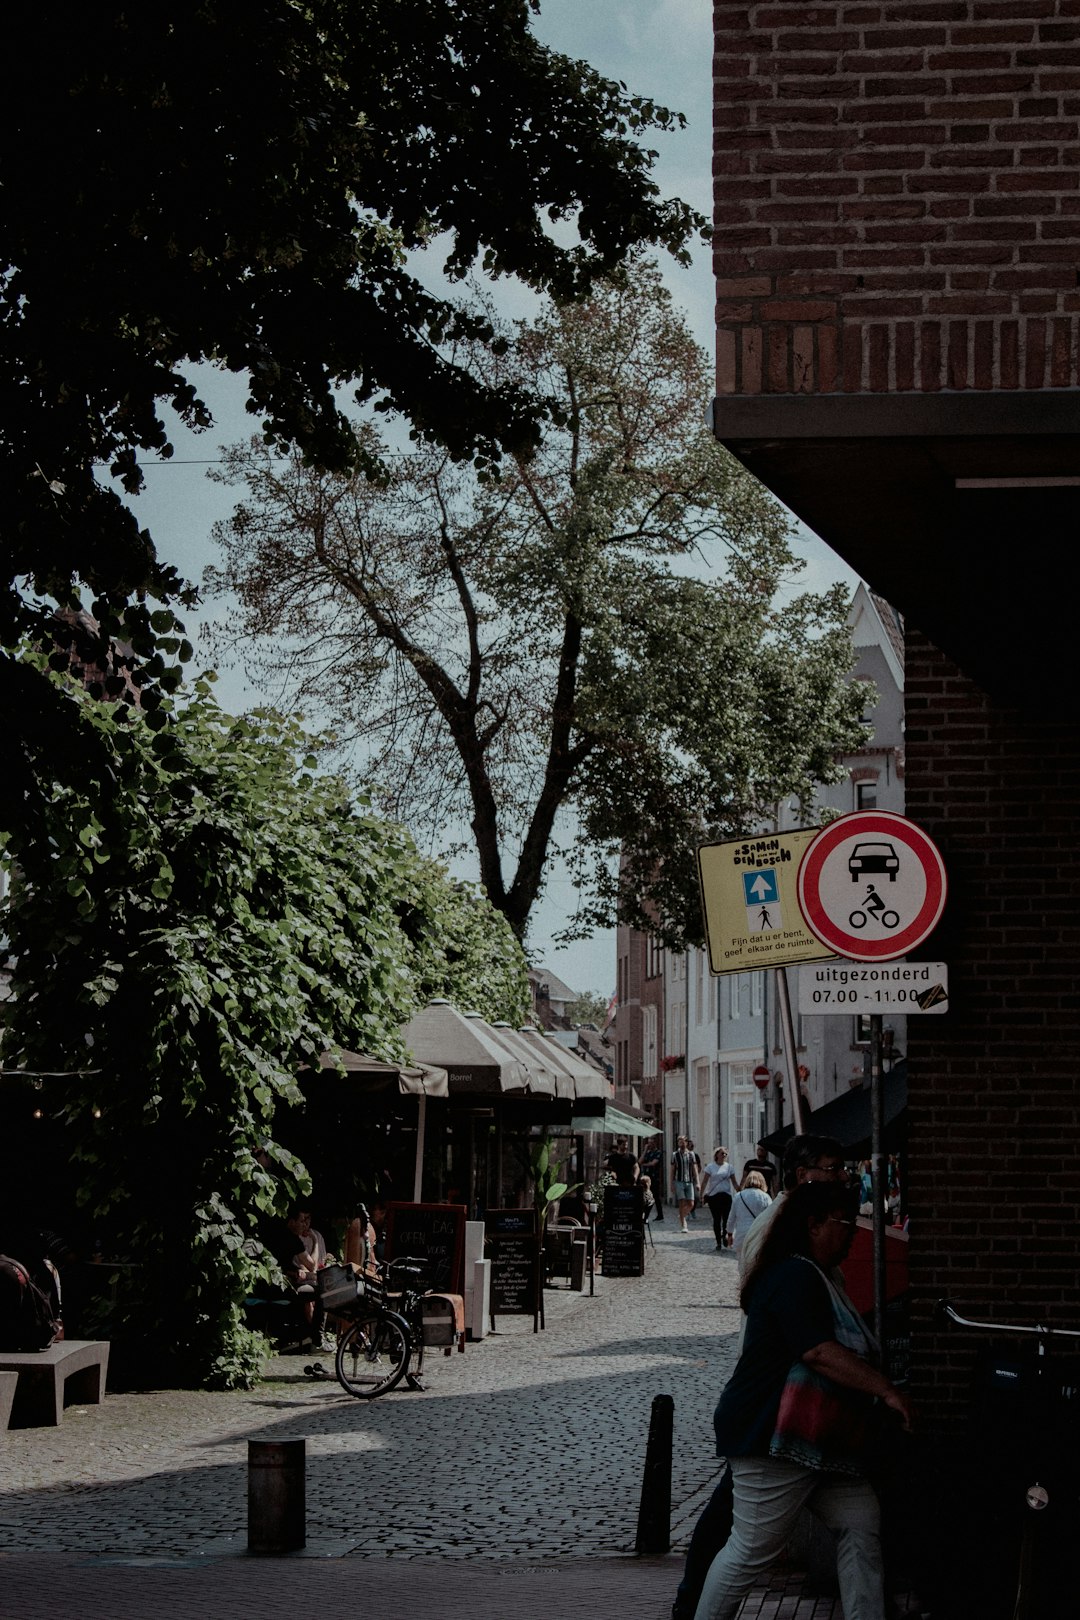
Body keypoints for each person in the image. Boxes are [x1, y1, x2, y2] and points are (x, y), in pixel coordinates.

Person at [692, 1181, 913, 1620]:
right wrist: (886, 1390)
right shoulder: (795, 1275)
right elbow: (818, 1351)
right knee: (750, 1549)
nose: (854, 1232)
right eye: (845, 1222)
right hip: (772, 1434)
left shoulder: (816, 1274)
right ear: (813, 1226)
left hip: (815, 1438)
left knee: (860, 1523)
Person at [671, 1134, 852, 1620]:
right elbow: (776, 1308)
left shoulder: (804, 1222)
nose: (842, 1178)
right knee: (739, 1531)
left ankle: (693, 1602)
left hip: (789, 1390)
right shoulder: (783, 1227)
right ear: (803, 1174)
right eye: (833, 1168)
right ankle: (693, 1604)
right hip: (775, 1390)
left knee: (854, 1519)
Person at [699, 1148, 739, 1250]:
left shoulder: (729, 1167)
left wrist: (740, 1192)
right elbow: (705, 1181)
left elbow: (734, 1182)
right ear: (717, 1155)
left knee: (726, 1219)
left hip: (726, 1195)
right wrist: (701, 1194)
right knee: (717, 1220)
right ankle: (718, 1242)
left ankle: (724, 1236)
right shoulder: (710, 1167)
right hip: (714, 1197)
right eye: (722, 1153)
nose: (724, 1155)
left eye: (725, 1153)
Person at [726, 1171, 771, 1257]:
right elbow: (771, 1217)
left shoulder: (738, 1196)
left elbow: (731, 1218)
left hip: (742, 1234)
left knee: (742, 1261)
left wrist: (730, 1234)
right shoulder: (765, 1197)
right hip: (758, 1234)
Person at [671, 1136, 699, 1233]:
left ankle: (682, 1214)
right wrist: (672, 1183)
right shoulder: (675, 1155)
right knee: (682, 1202)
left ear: (686, 1143)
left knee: (691, 1203)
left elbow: (694, 1169)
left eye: (682, 1142)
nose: (681, 1143)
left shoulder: (691, 1154)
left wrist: (698, 1182)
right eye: (679, 1141)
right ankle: (684, 1224)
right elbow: (673, 1170)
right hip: (679, 1181)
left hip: (689, 1181)